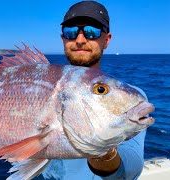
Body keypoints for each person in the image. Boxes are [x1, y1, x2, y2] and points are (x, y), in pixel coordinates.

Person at [41, 1, 147, 179]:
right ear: (63, 39)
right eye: (71, 32)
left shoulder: (131, 98)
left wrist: (102, 151)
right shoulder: (40, 84)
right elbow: (23, 157)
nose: (80, 40)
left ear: (106, 39)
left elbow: (130, 168)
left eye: (92, 31)